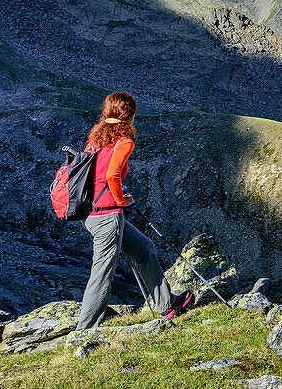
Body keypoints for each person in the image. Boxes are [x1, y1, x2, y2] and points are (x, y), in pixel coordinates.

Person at [75, 91, 193, 330]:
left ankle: (167, 304)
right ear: (130, 115)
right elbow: (112, 175)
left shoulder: (96, 138)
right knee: (102, 273)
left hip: (90, 213)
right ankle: (84, 331)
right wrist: (121, 201)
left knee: (144, 248)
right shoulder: (124, 141)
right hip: (107, 215)